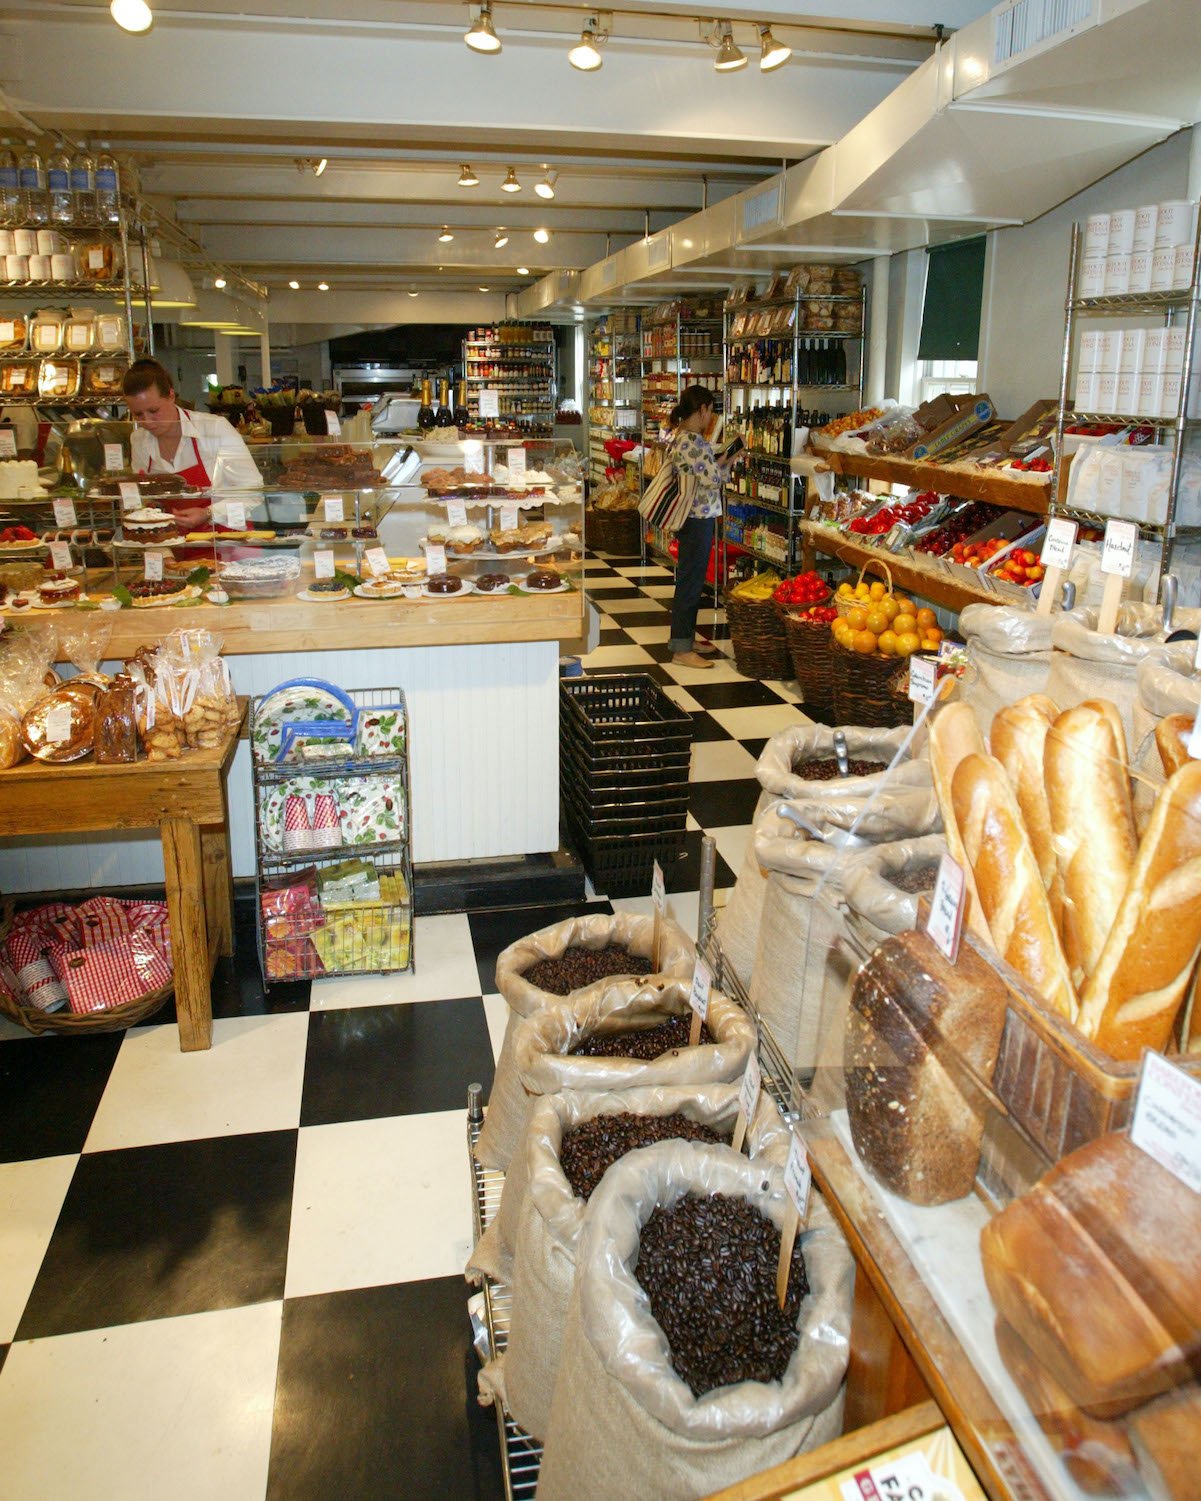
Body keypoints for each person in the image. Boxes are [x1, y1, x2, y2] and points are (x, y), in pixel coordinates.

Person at [122, 358, 262, 531]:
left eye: (153, 411)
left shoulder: (214, 429)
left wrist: (208, 513)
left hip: (228, 542)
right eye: (138, 415)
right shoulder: (139, 440)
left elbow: (254, 492)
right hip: (173, 543)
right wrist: (163, 553)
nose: (148, 422)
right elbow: (143, 500)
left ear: (171, 396)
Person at [665, 385, 730, 669]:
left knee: (688, 578)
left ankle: (686, 639)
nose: (710, 417)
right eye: (710, 411)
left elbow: (703, 472)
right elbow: (713, 479)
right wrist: (727, 461)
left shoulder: (681, 438)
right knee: (690, 583)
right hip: (698, 519)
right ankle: (681, 648)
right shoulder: (696, 443)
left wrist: (717, 463)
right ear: (702, 409)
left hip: (690, 518)